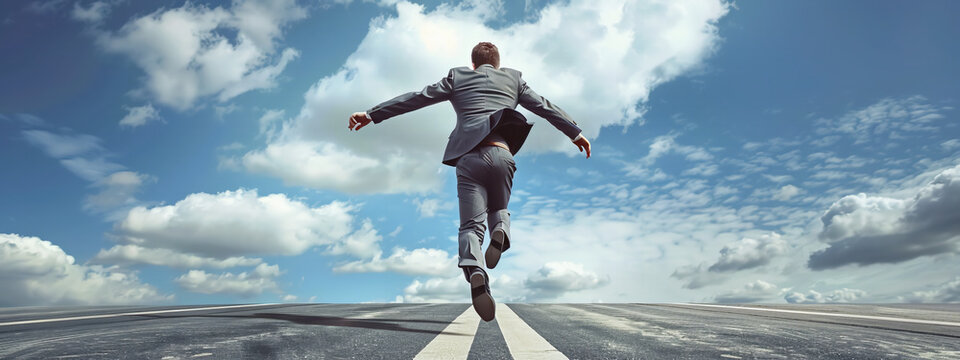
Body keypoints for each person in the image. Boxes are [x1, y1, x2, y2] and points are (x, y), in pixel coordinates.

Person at [348, 42, 591, 321]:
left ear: (472, 64)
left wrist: (371, 114)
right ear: (497, 64)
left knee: (470, 226)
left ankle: (476, 270)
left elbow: (416, 98)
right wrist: (575, 132)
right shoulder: (514, 79)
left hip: (468, 160)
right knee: (498, 207)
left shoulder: (457, 77)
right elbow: (544, 106)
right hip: (501, 153)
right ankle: (501, 229)